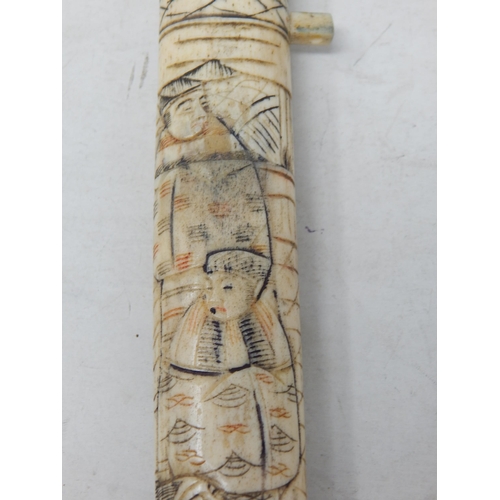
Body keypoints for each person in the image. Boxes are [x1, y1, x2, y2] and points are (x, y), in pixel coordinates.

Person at [157, 250, 300, 500]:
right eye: (209, 288)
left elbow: (279, 375)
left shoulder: (266, 328)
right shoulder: (194, 329)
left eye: (228, 287)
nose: (213, 298)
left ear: (255, 289)